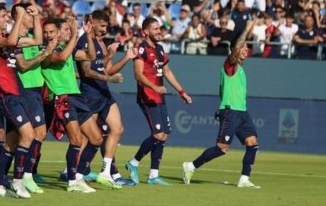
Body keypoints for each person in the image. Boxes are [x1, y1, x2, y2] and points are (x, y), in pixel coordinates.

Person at [182, 20, 260, 188]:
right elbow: (236, 48)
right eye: (243, 47)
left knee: (252, 144)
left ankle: (244, 179)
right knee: (222, 148)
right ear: (235, 50)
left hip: (242, 113)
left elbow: (222, 90)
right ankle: (191, 166)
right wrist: (246, 29)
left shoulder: (240, 69)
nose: (246, 49)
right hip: (231, 112)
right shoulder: (229, 64)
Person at [0, 3, 44, 198]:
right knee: (28, 135)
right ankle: (18, 182)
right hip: (4, 94)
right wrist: (18, 17)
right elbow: (10, 42)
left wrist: (35, 17)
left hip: (15, 93)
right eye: (3, 16)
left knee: (11, 143)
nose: (7, 18)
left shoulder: (5, 38)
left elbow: (37, 39)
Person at [126, 17, 192, 185]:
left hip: (159, 97)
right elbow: (138, 74)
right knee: (157, 134)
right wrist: (154, 88)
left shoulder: (161, 49)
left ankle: (153, 175)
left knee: (164, 136)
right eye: (155, 28)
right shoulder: (141, 49)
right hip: (148, 97)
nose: (159, 31)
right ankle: (133, 163)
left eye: (159, 28)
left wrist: (182, 91)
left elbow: (167, 72)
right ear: (145, 31)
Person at [76, 10, 138, 187]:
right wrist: (110, 79)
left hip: (104, 93)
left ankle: (105, 172)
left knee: (117, 129)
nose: (104, 29)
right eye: (101, 25)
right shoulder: (84, 41)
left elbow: (105, 69)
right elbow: (88, 72)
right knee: (87, 138)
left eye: (106, 26)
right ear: (92, 23)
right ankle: (73, 171)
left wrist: (125, 57)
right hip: (90, 93)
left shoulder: (102, 44)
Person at [42, 17, 102, 193]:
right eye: (67, 29)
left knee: (96, 138)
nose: (69, 32)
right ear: (59, 32)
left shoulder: (69, 49)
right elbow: (61, 57)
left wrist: (88, 35)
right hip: (62, 98)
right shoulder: (47, 51)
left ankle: (79, 176)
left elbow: (91, 56)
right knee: (76, 140)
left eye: (70, 30)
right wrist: (76, 34)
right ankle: (72, 182)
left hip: (77, 97)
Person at [13, 3, 58, 190]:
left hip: (36, 91)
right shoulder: (15, 39)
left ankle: (22, 175)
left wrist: (37, 15)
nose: (32, 19)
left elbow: (40, 41)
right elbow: (23, 66)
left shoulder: (32, 38)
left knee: (20, 138)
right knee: (36, 134)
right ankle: (26, 176)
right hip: (24, 90)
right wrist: (45, 53)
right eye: (28, 15)